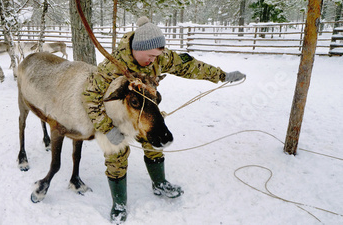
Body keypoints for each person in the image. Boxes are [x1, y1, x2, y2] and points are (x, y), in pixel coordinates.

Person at [82, 16, 245, 223]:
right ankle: (119, 203)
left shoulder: (159, 56)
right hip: (119, 116)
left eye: (156, 56)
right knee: (116, 155)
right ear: (137, 49)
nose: (153, 60)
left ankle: (159, 183)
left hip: (146, 111)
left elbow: (190, 66)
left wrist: (222, 76)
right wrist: (107, 128)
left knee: (154, 141)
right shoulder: (111, 66)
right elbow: (89, 96)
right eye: (149, 56)